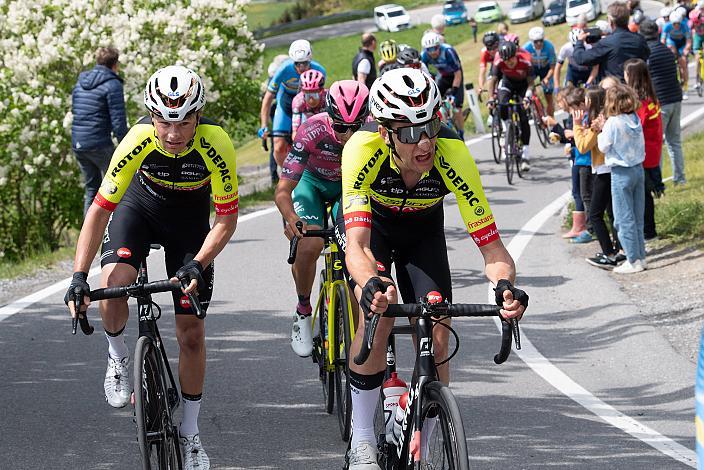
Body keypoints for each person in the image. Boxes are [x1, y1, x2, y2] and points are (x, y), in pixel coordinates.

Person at [337, 67, 527, 469]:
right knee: (381, 310)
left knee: (439, 327)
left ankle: (424, 416)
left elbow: (493, 250)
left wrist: (506, 287)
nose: (424, 142)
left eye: (431, 126)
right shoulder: (361, 148)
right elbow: (356, 246)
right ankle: (364, 439)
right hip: (375, 231)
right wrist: (369, 281)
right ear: (386, 133)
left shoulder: (452, 153)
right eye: (409, 133)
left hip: (423, 233)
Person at [65, 66, 239, 469]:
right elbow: (98, 211)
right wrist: (78, 276)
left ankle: (191, 433)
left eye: (184, 122)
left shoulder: (217, 143)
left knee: (191, 333)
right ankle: (117, 355)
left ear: (199, 115)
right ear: (151, 116)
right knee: (115, 284)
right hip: (138, 210)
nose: (174, 134)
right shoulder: (137, 139)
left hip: (188, 223)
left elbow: (226, 221)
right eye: (164, 121)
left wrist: (197, 264)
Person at [274, 81, 370, 357]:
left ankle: (356, 336)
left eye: (357, 127)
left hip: (348, 188)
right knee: (309, 245)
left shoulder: (376, 130)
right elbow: (282, 191)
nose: (349, 135)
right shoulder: (311, 129)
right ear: (330, 118)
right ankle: (303, 309)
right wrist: (292, 218)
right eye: (341, 127)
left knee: (355, 249)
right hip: (311, 184)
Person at [71, 46, 129, 217]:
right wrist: (126, 145)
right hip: (99, 144)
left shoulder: (81, 81)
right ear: (115, 64)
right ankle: (120, 235)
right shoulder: (113, 84)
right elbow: (118, 121)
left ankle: (87, 241)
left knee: (92, 190)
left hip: (79, 143)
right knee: (120, 187)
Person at [596, 84, 647, 274]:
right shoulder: (634, 118)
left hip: (620, 172)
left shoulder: (612, 123)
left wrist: (601, 128)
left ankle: (632, 260)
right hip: (638, 169)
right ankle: (641, 256)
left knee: (623, 218)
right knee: (637, 216)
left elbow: (603, 146)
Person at [259, 39, 327, 170]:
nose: (301, 68)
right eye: (298, 64)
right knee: (278, 147)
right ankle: (288, 176)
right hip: (286, 102)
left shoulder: (319, 70)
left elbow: (321, 96)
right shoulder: (284, 69)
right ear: (292, 62)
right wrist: (264, 125)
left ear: (310, 60)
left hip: (307, 105)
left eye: (305, 64)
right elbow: (268, 98)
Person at [580, 87, 625, 269]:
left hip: (604, 170)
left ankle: (609, 253)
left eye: (587, 100)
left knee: (595, 214)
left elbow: (583, 146)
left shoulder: (599, 121)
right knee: (612, 212)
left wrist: (578, 126)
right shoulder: (604, 118)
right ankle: (619, 250)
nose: (585, 104)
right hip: (605, 169)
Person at [639, 19, 687, 185]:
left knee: (657, 143)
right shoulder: (667, 50)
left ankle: (656, 181)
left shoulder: (646, 55)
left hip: (660, 103)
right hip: (676, 98)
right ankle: (680, 178)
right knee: (675, 142)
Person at [624, 58, 663, 243]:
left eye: (625, 73)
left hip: (643, 153)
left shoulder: (640, 103)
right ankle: (649, 229)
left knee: (643, 196)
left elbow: (633, 128)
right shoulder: (651, 97)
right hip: (652, 150)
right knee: (646, 194)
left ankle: (649, 231)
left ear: (632, 76)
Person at [487, 41, 535, 172]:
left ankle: (525, 153)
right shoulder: (498, 61)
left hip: (523, 85)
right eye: (506, 60)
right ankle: (506, 129)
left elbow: (531, 83)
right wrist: (491, 98)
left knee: (523, 116)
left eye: (511, 59)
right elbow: (493, 80)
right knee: (501, 104)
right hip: (507, 83)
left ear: (516, 54)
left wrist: (528, 96)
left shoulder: (526, 60)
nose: (509, 63)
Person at [573, 1, 650, 80]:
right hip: (638, 87)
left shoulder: (607, 43)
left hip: (616, 89)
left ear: (610, 21)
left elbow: (580, 58)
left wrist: (579, 42)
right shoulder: (640, 40)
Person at [421, 31, 466, 139]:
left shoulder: (448, 51)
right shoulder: (424, 55)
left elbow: (458, 73)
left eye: (435, 48)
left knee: (457, 108)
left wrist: (454, 91)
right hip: (443, 77)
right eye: (429, 50)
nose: (432, 52)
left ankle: (461, 133)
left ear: (439, 46)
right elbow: (423, 72)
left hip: (455, 77)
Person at [523, 27, 557, 116]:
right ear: (531, 41)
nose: (539, 43)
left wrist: (547, 78)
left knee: (549, 95)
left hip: (545, 69)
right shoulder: (526, 48)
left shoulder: (549, 46)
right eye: (536, 41)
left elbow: (553, 67)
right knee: (530, 89)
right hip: (532, 69)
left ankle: (551, 117)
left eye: (541, 40)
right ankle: (536, 108)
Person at [661, 9, 692, 99]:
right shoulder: (667, 26)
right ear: (671, 23)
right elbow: (663, 40)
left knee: (683, 63)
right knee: (671, 49)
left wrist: (686, 50)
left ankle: (685, 88)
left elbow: (689, 41)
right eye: (674, 24)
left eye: (678, 23)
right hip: (672, 42)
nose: (677, 26)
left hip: (682, 43)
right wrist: (664, 50)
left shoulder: (685, 26)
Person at [291, 69, 327, 139]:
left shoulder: (328, 97)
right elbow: (295, 132)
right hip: (307, 126)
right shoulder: (298, 101)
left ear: (321, 90)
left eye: (315, 94)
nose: (311, 99)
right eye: (307, 94)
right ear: (302, 91)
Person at [690, 6, 704, 90]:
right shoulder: (690, 23)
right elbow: (689, 35)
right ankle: (697, 79)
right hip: (697, 37)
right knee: (697, 58)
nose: (696, 23)